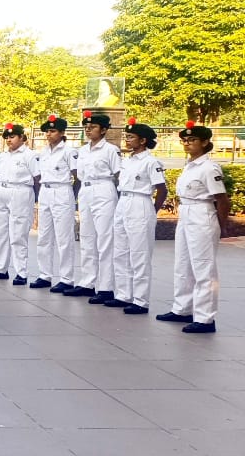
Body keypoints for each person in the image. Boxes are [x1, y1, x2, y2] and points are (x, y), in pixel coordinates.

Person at [156, 122, 230, 333]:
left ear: (205, 142)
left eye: (193, 140)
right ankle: (183, 309)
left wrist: (220, 226)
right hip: (187, 212)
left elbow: (222, 200)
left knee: (203, 267)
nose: (187, 144)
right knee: (183, 264)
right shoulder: (190, 165)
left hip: (202, 214)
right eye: (185, 141)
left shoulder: (209, 167)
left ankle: (205, 318)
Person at [105, 118, 167, 314]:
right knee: (120, 251)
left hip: (141, 203)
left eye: (131, 137)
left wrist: (151, 211)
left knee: (139, 254)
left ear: (143, 140)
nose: (127, 140)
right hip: (124, 202)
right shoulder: (127, 160)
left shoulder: (151, 162)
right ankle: (123, 294)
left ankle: (140, 300)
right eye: (127, 136)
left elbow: (162, 190)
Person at [63, 111, 121, 302]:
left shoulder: (111, 150)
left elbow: (119, 176)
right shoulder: (82, 150)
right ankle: (88, 282)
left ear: (103, 130)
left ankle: (105, 287)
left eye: (93, 127)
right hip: (86, 191)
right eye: (86, 127)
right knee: (87, 238)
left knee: (105, 240)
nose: (88, 130)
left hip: (104, 189)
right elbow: (79, 176)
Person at [0, 123, 40, 284]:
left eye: (13, 136)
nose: (9, 140)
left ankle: (21, 272)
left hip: (20, 191)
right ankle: (0, 268)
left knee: (18, 234)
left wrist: (35, 198)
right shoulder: (2, 156)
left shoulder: (29, 155)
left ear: (22, 138)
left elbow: (37, 178)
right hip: (2, 190)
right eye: (7, 137)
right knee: (0, 233)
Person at [30, 115, 77, 292]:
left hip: (62, 191)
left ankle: (66, 278)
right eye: (47, 131)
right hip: (46, 191)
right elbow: (39, 174)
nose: (49, 134)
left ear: (62, 132)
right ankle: (45, 275)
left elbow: (77, 176)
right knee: (44, 236)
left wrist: (73, 197)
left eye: (53, 131)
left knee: (64, 237)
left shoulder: (69, 152)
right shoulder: (43, 152)